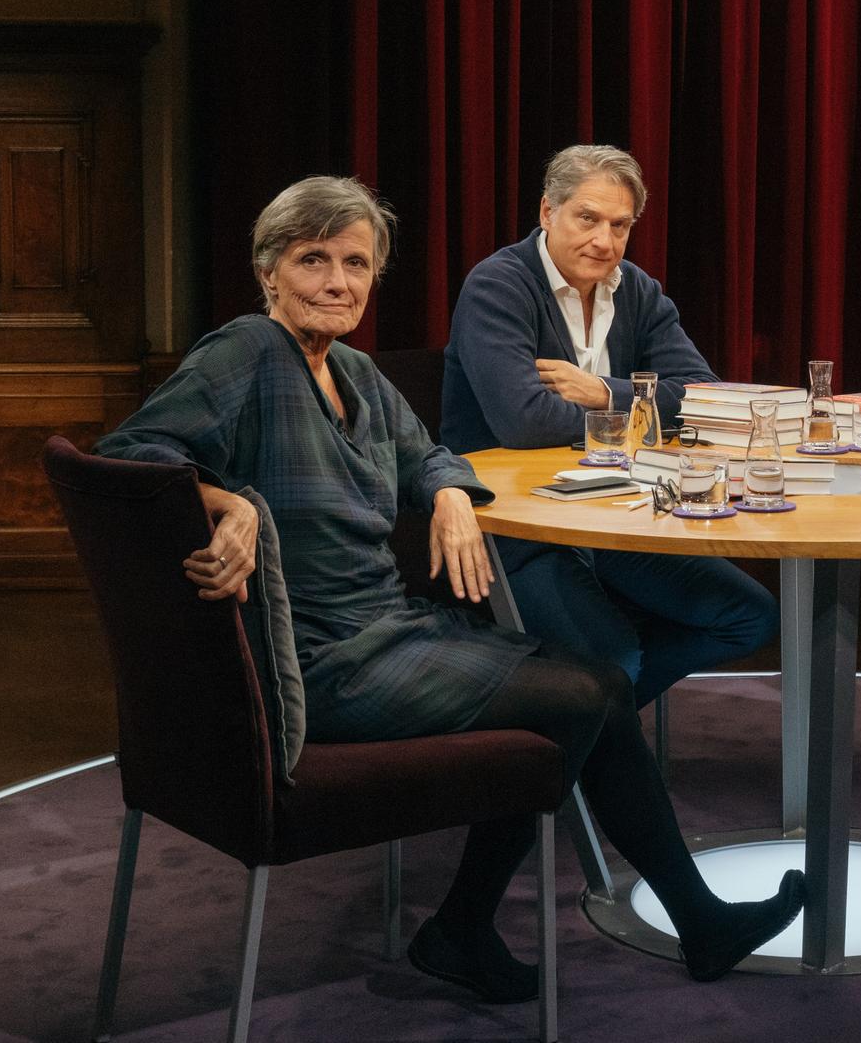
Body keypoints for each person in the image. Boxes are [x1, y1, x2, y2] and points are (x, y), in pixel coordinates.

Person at [96, 176, 805, 1001]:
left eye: (355, 263)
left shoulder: (354, 370)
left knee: (591, 690)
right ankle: (499, 925)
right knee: (592, 691)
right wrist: (227, 504)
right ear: (269, 272)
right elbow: (126, 456)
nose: (336, 282)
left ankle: (518, 925)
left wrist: (445, 496)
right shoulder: (247, 353)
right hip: (322, 665)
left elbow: (431, 454)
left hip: (392, 631)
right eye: (312, 260)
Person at [442, 144, 778, 710]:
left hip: (621, 516)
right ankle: (589, 723)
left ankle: (591, 726)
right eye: (588, 219)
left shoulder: (637, 290)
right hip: (524, 525)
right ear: (548, 213)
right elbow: (524, 421)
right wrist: (645, 410)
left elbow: (704, 398)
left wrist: (605, 392)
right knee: (612, 660)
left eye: (620, 225)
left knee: (748, 616)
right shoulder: (498, 285)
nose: (604, 241)